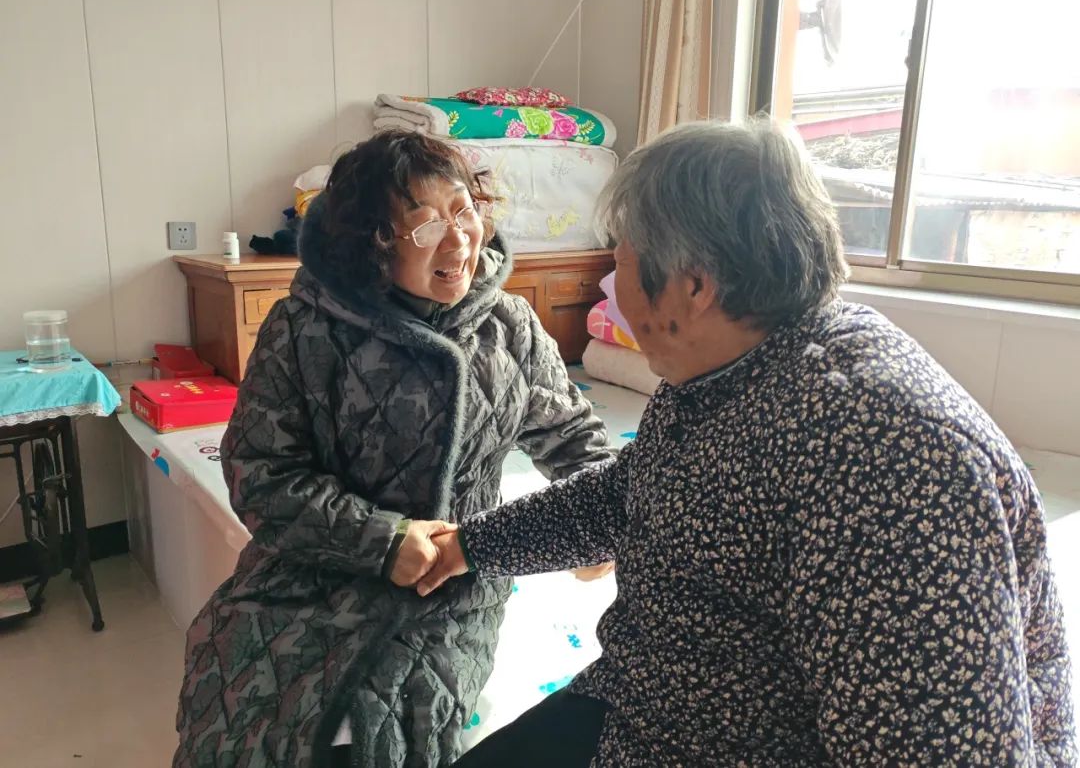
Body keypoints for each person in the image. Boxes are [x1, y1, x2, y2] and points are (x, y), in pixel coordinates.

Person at [415, 119, 1076, 766]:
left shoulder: (886, 461)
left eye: (619, 266)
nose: (611, 293)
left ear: (694, 286)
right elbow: (627, 494)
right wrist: (470, 546)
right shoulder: (721, 366)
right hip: (644, 705)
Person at [172, 130, 612, 768]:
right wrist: (381, 540)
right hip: (313, 567)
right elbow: (260, 475)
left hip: (451, 581)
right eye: (426, 226)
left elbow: (575, 441)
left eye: (464, 212)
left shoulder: (508, 326)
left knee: (384, 730)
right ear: (373, 245)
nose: (458, 241)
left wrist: (597, 526)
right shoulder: (303, 327)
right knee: (241, 701)